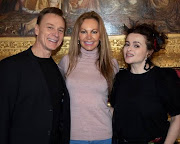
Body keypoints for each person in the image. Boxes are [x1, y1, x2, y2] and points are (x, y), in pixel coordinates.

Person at [0, 7, 70, 144]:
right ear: (37, 30)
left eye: (60, 30)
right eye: (50, 27)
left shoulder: (57, 68)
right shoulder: (10, 66)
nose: (56, 34)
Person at [110, 23, 180, 144]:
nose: (129, 49)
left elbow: (177, 117)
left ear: (149, 51)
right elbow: (113, 112)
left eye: (136, 45)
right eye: (127, 44)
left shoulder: (164, 77)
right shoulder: (120, 78)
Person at [58, 11, 119, 144]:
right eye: (84, 31)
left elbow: (118, 99)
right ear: (77, 36)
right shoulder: (66, 62)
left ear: (101, 35)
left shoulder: (111, 64)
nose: (89, 37)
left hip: (104, 134)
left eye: (94, 32)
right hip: (72, 135)